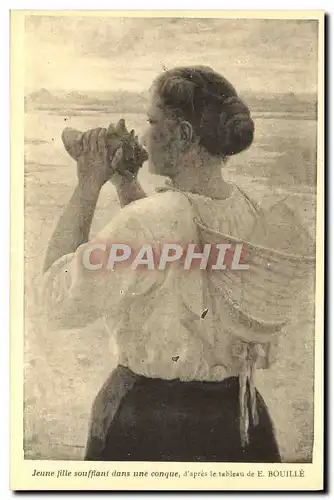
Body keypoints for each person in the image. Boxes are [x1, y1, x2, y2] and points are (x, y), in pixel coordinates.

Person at [43, 66, 312, 462]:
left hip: (148, 422)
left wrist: (87, 184)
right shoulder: (250, 210)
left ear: (184, 135)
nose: (145, 134)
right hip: (237, 417)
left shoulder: (147, 221)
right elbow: (171, 261)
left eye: (152, 122)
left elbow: (55, 301)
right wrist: (125, 183)